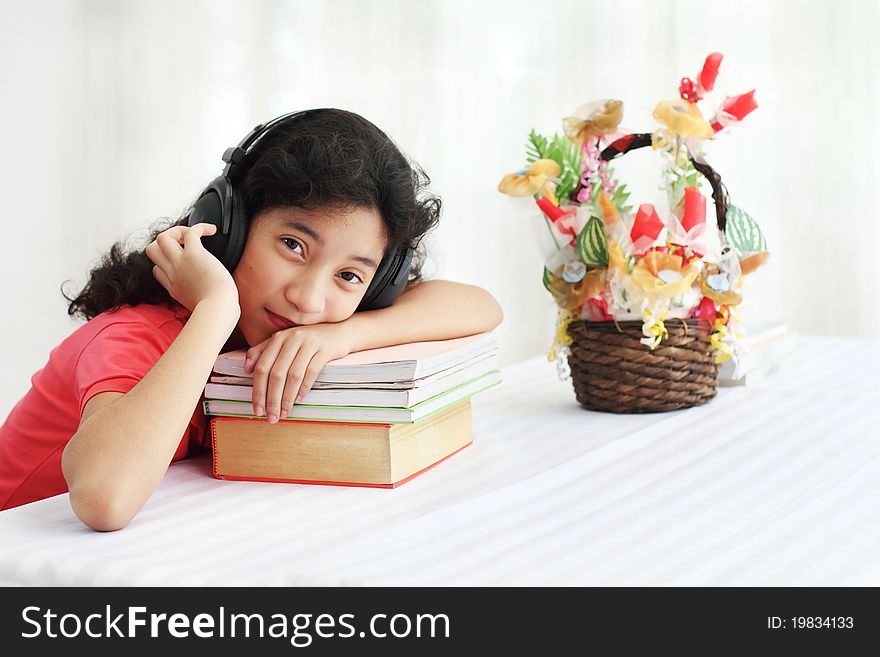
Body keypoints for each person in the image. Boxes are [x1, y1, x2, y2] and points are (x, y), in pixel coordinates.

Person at [0, 108, 503, 530]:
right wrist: (216, 308)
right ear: (227, 228)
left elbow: (481, 306)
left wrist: (350, 333)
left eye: (349, 276)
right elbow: (104, 500)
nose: (308, 299)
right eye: (293, 245)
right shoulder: (137, 335)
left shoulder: (323, 319)